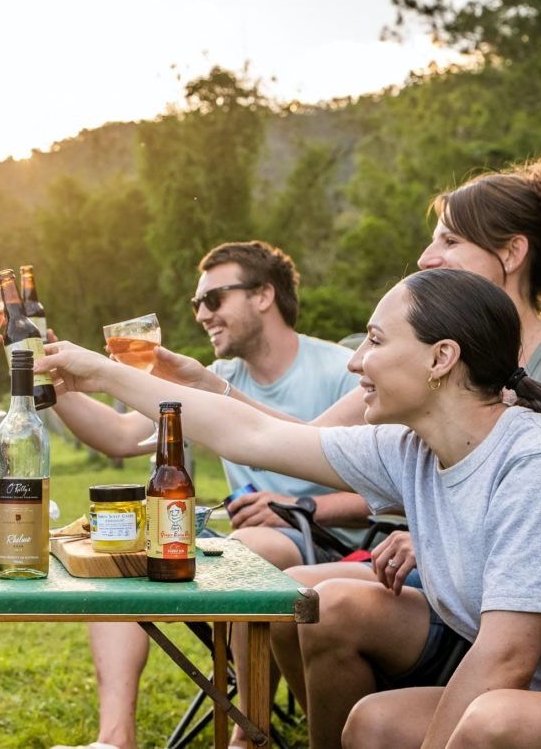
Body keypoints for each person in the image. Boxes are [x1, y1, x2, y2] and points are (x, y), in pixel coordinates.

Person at [41, 266, 541, 749]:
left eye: (377, 342)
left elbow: (504, 660)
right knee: (373, 726)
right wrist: (100, 374)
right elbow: (255, 435)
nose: (357, 360)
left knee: (493, 724)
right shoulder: (410, 446)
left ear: (443, 358)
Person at [264, 157, 541, 748]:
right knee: (301, 598)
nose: (425, 256)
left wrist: (443, 533)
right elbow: (294, 436)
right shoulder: (421, 356)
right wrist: (209, 392)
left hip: (539, 613)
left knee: (335, 602)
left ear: (512, 253)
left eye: (449, 238)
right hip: (454, 593)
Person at [49, 241, 361, 749]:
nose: (201, 315)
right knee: (122, 546)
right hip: (244, 539)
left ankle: (246, 734)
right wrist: (61, 388)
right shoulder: (217, 378)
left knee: (256, 546)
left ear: (264, 295)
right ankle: (114, 739)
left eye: (214, 299)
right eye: (197, 304)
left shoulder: (342, 370)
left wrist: (300, 507)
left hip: (334, 544)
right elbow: (124, 438)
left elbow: (388, 486)